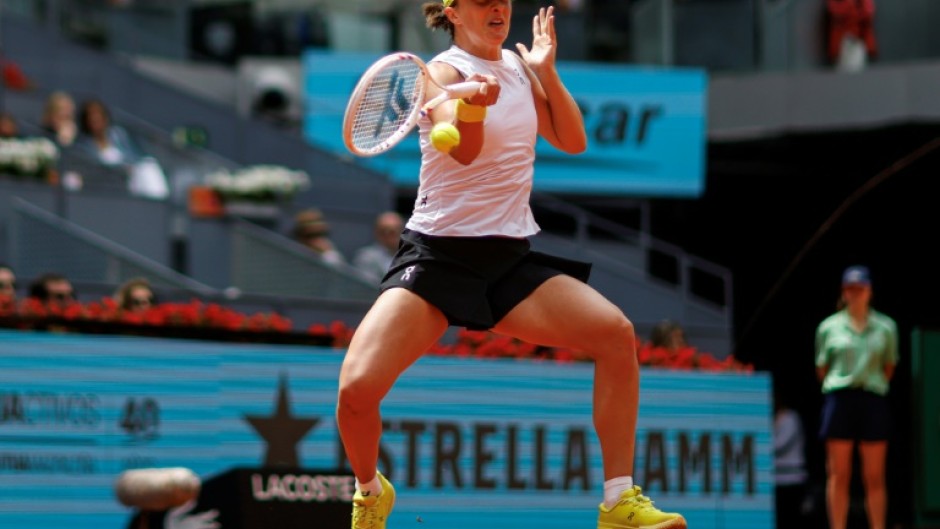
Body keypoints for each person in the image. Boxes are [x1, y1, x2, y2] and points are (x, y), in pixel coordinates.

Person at [335, 3, 686, 529]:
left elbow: (573, 140)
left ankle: (618, 503)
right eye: (483, 0)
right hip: (438, 258)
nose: (499, 7)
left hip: (508, 258)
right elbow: (465, 149)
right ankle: (369, 490)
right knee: (355, 393)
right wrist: (470, 107)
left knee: (615, 334)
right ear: (453, 12)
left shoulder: (521, 71)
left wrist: (545, 72)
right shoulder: (438, 75)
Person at [815, 265, 898, 529]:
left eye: (860, 288)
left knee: (874, 475)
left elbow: (889, 367)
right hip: (840, 400)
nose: (856, 293)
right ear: (843, 292)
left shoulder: (886, 327)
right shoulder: (828, 327)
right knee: (839, 474)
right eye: (851, 289)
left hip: (872, 399)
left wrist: (868, 384)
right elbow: (822, 369)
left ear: (870, 291)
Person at [75, 98, 169, 199]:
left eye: (98, 118)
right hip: (110, 182)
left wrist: (129, 167)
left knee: (148, 164)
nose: (96, 122)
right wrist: (121, 169)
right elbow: (94, 169)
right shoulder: (84, 146)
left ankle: (160, 203)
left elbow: (132, 156)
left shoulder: (118, 135)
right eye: (92, 119)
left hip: (130, 178)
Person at [774, 389, 809, 529]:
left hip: (792, 481)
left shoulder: (790, 418)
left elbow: (778, 445)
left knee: (791, 520)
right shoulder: (771, 419)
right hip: (776, 480)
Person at [352, 211, 404, 284]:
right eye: (387, 231)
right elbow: (368, 287)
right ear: (377, 233)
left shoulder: (412, 255)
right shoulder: (367, 257)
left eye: (398, 229)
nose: (394, 235)